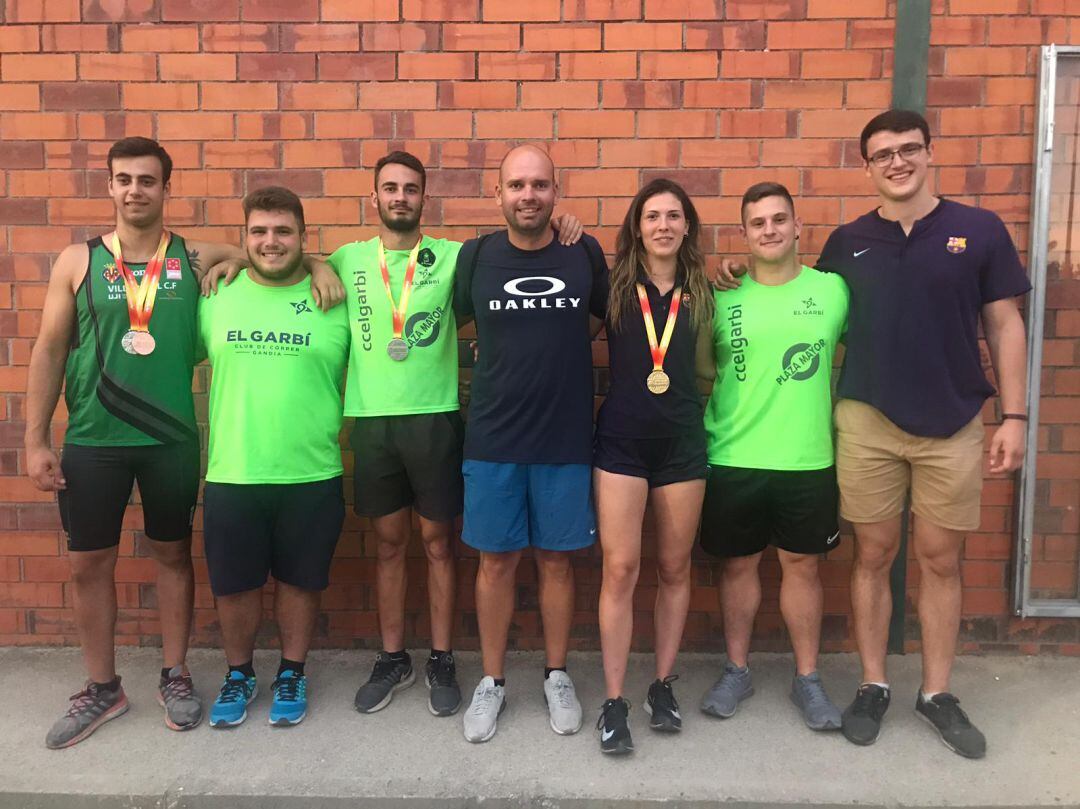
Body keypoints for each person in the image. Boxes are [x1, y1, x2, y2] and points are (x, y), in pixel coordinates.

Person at [716, 110, 1030, 759]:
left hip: (953, 420)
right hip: (866, 422)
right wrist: (727, 271)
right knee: (872, 556)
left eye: (908, 149)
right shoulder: (847, 243)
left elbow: (1004, 324)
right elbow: (781, 288)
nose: (896, 161)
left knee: (941, 559)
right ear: (867, 166)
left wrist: (1017, 416)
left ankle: (937, 692)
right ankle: (873, 682)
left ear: (929, 152)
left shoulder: (980, 230)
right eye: (882, 153)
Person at [453, 144, 607, 743]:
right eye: (516, 185)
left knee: (556, 561)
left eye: (540, 185)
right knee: (495, 562)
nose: (528, 195)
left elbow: (601, 316)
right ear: (498, 195)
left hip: (565, 436)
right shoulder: (477, 256)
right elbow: (462, 319)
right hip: (492, 436)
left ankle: (556, 673)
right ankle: (492, 681)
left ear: (555, 193)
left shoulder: (582, 250)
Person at [697, 182, 848, 735]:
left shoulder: (833, 291)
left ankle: (806, 677)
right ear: (744, 233)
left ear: (797, 225)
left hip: (806, 458)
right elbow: (701, 373)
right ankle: (737, 670)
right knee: (736, 566)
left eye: (779, 219)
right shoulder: (723, 296)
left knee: (801, 567)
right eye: (757, 222)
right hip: (733, 454)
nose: (769, 230)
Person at [200, 187, 349, 728]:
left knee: (300, 581)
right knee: (234, 585)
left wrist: (317, 265)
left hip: (312, 471)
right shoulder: (216, 295)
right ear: (243, 237)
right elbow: (175, 250)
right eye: (258, 231)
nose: (271, 241)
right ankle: (239, 673)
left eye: (284, 231)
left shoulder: (335, 299)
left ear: (303, 236)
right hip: (234, 470)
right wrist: (235, 259)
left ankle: (292, 670)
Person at [592, 179, 714, 755]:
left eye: (673, 215)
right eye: (651, 216)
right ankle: (614, 700)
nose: (662, 225)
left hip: (683, 447)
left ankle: (661, 685)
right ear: (636, 227)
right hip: (620, 446)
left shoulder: (708, 290)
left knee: (674, 568)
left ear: (687, 225)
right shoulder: (611, 285)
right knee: (620, 569)